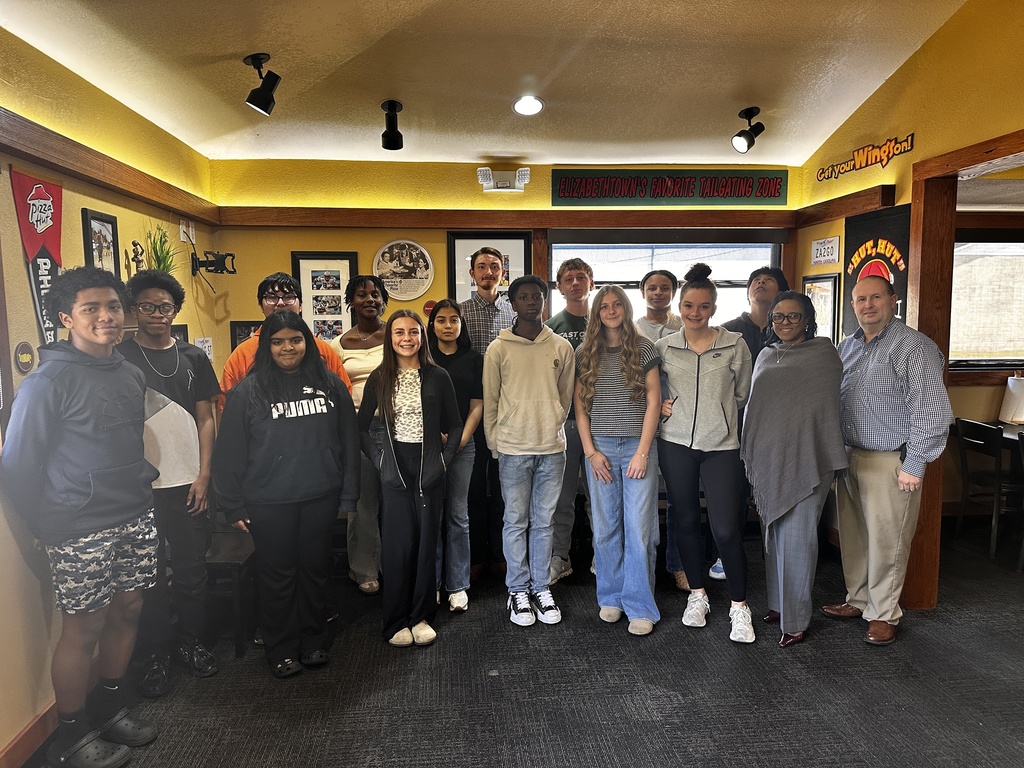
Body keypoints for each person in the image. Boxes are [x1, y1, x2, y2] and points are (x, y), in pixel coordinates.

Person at [1, 267, 159, 768]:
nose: (106, 317)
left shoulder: (131, 372)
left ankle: (111, 706)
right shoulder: (47, 381)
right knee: (83, 629)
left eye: (113, 306)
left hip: (134, 513)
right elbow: (19, 464)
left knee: (129, 609)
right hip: (78, 527)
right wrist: (48, 526)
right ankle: (71, 735)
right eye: (91, 308)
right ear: (66, 318)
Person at [214, 311, 359, 677]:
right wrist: (232, 504)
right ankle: (280, 647)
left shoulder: (330, 385)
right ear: (267, 346)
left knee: (314, 570)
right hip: (268, 500)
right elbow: (229, 450)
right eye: (277, 341)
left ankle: (312, 641)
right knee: (276, 574)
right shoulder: (248, 391)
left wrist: (348, 495)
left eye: (295, 339)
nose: (287, 347)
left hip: (319, 495)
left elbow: (348, 440)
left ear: (308, 343)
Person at [822, 275, 952, 645]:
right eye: (861, 299)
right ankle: (859, 599)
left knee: (888, 540)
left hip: (890, 460)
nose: (868, 305)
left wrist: (915, 464)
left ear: (893, 300)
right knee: (855, 535)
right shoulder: (846, 347)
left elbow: (929, 409)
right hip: (849, 455)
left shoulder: (913, 346)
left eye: (876, 297)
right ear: (852, 304)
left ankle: (884, 614)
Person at [117, 270, 220, 697]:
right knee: (149, 575)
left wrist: (204, 475)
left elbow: (206, 418)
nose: (157, 314)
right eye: (147, 306)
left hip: (188, 483)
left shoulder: (194, 357)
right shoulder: (118, 357)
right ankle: (155, 650)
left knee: (192, 567)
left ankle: (191, 642)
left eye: (165, 307)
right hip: (139, 487)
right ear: (133, 310)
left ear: (175, 311)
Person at [741, 291, 847, 647]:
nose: (785, 323)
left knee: (798, 539)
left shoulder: (822, 354)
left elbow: (822, 410)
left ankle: (797, 620)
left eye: (793, 316)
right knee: (772, 534)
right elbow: (758, 408)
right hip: (771, 458)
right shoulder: (766, 355)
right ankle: (777, 604)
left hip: (807, 458)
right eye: (778, 317)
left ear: (808, 319)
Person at [656, 263, 755, 643]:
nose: (695, 313)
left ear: (713, 307)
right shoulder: (664, 346)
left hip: (722, 446)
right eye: (688, 306)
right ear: (679, 307)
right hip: (675, 442)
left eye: (703, 306)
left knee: (726, 527)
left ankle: (739, 606)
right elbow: (654, 389)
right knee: (683, 519)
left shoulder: (735, 344)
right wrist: (664, 403)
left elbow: (742, 394)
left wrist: (718, 414)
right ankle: (697, 595)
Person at [359, 311, 462, 646]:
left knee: (425, 543)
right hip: (395, 467)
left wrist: (444, 462)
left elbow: (457, 425)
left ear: (422, 335)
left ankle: (420, 616)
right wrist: (379, 460)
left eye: (413, 332)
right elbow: (360, 429)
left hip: (429, 465)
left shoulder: (438, 376)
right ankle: (395, 620)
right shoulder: (379, 378)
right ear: (390, 338)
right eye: (399, 332)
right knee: (398, 546)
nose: (407, 338)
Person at [484, 275, 575, 626]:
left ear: (544, 300)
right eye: (523, 297)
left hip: (552, 447)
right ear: (513, 303)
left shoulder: (560, 347)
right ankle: (517, 590)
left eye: (537, 297)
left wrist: (552, 422)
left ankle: (540, 587)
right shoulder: (499, 348)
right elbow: (490, 398)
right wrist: (495, 443)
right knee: (515, 521)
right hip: (512, 448)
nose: (531, 302)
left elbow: (564, 397)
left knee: (544, 522)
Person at [575, 285, 662, 636]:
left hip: (638, 448)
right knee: (606, 526)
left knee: (638, 529)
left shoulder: (643, 348)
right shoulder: (585, 351)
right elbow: (580, 408)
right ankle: (610, 596)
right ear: (597, 313)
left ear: (625, 308)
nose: (610, 311)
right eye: (604, 306)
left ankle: (640, 604)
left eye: (616, 305)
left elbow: (654, 401)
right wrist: (591, 453)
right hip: (600, 450)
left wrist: (642, 452)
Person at [712, 265, 791, 582]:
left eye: (768, 280)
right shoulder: (728, 330)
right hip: (734, 425)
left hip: (777, 427)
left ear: (782, 292)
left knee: (774, 492)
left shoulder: (791, 332)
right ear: (747, 292)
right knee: (732, 492)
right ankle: (724, 553)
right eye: (755, 280)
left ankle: (779, 555)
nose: (760, 283)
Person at [329, 275, 389, 595]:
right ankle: (364, 569)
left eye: (375, 294)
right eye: (361, 294)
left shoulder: (396, 336)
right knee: (362, 503)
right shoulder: (337, 345)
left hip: (396, 427)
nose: (369, 299)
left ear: (383, 300)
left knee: (396, 501)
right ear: (350, 301)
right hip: (357, 429)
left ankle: (395, 563)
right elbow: (336, 391)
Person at [461, 247, 516, 578]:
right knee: (471, 485)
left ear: (502, 272)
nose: (488, 272)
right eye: (481, 267)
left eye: (494, 266)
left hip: (506, 409)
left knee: (501, 485)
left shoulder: (515, 312)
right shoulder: (461, 312)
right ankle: (476, 554)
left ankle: (500, 553)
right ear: (472, 273)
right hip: (470, 409)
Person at [219, 271, 352, 408]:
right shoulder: (242, 354)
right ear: (261, 306)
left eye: (288, 297)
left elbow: (343, 396)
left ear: (300, 305)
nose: (281, 303)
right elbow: (227, 406)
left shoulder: (322, 349)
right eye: (272, 297)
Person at [427, 300, 484, 612]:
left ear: (462, 325)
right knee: (432, 515)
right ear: (432, 325)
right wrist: (435, 434)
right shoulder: (423, 358)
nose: (448, 326)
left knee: (458, 516)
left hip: (463, 446)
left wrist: (461, 438)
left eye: (453, 320)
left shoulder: (474, 359)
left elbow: (478, 404)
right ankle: (432, 583)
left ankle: (457, 585)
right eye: (441, 320)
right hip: (428, 446)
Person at [635, 269, 689, 593]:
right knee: (642, 500)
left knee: (679, 498)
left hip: (676, 426)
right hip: (639, 427)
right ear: (642, 292)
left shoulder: (684, 327)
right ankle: (644, 566)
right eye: (652, 287)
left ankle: (678, 565)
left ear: (674, 291)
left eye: (665, 288)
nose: (658, 292)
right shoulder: (631, 329)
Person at [545, 257, 595, 584]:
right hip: (564, 424)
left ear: (591, 283)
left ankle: (603, 557)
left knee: (601, 498)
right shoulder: (551, 327)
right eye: (568, 279)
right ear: (560, 287)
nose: (575, 283)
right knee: (561, 498)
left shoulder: (608, 320)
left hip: (603, 422)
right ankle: (560, 557)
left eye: (581, 277)